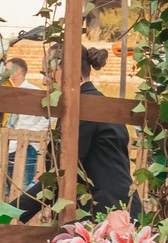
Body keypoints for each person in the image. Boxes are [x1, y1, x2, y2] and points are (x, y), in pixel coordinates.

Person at [14, 45, 140, 222]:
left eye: (48, 72)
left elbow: (63, 173)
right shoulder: (98, 103)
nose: (44, 81)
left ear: (69, 71)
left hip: (108, 215)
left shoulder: (85, 109)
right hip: (118, 210)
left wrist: (11, 211)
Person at [5, 58, 50, 191]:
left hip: (27, 147)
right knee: (5, 189)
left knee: (23, 188)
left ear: (17, 72)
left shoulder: (33, 92)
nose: (4, 72)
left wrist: (32, 132)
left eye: (7, 70)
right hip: (8, 146)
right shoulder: (8, 93)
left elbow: (50, 116)